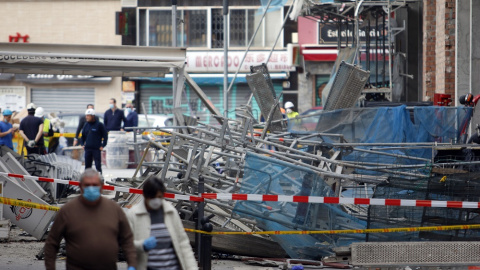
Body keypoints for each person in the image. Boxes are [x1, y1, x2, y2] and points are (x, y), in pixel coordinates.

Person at [44, 169, 137, 270]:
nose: (91, 188)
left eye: (95, 185)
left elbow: (127, 240)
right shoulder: (68, 211)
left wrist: (132, 264)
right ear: (80, 187)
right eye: (87, 185)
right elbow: (52, 243)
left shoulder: (114, 209)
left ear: (101, 187)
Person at [126, 176, 197, 270]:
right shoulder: (134, 214)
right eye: (152, 197)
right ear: (145, 196)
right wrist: (141, 245)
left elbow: (183, 243)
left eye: (159, 197)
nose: (156, 200)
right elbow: (127, 244)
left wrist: (192, 267)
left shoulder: (170, 212)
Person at [80, 108, 108, 174]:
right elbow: (83, 136)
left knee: (98, 165)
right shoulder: (86, 125)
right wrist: (82, 144)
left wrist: (103, 145)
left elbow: (105, 136)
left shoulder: (99, 125)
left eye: (88, 115)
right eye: (86, 115)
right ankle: (87, 179)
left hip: (96, 149)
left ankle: (100, 178)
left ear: (93, 116)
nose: (86, 117)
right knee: (87, 166)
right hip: (88, 149)